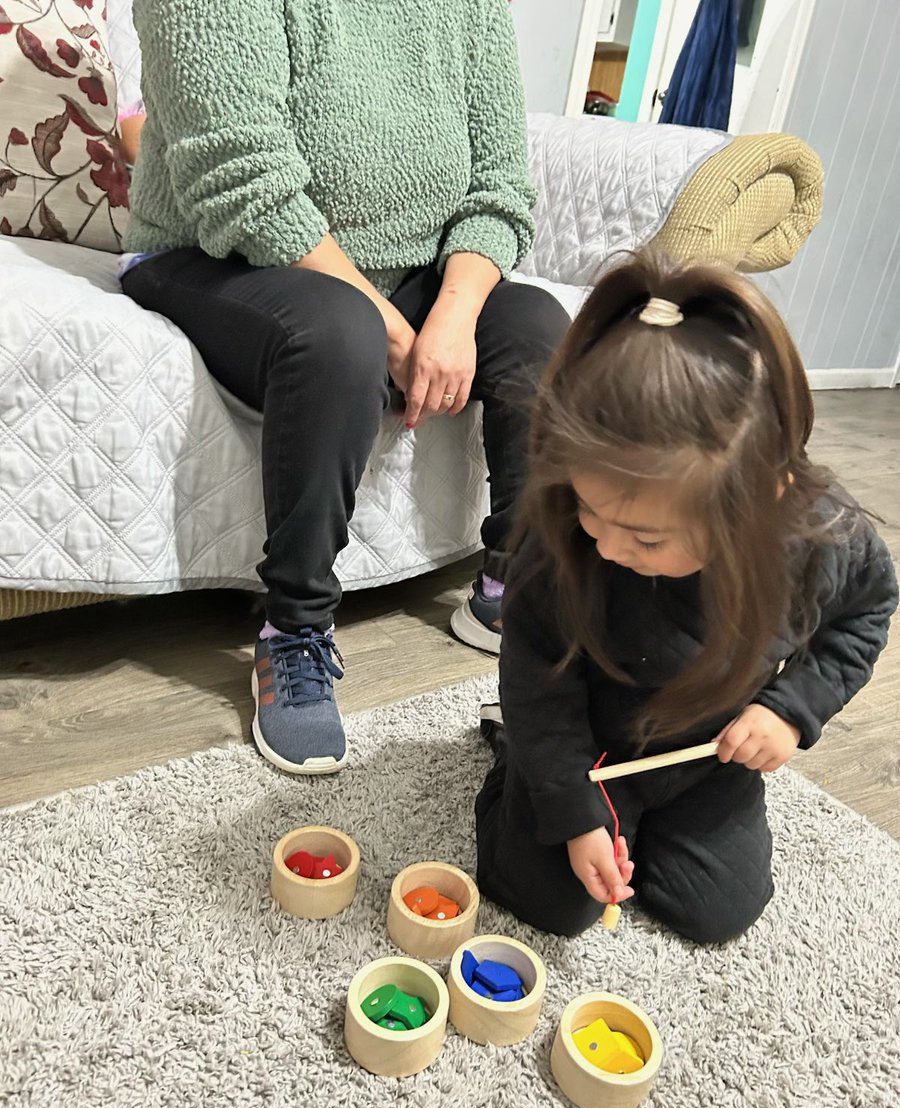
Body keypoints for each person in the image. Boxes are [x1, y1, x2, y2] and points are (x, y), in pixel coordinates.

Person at [119, 0, 569, 775]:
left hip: (412, 272)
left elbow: (500, 184)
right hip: (217, 254)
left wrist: (455, 315)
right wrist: (398, 337)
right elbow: (240, 176)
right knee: (341, 335)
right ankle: (291, 630)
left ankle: (510, 584)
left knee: (538, 325)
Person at [475, 251, 898, 943]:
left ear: (760, 503)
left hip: (705, 758)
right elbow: (536, 683)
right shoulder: (559, 545)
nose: (608, 545)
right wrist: (574, 809)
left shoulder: (823, 539)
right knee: (552, 902)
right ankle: (510, 766)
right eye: (590, 509)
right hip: (588, 747)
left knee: (720, 910)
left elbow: (863, 616)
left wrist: (790, 711)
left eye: (645, 539)